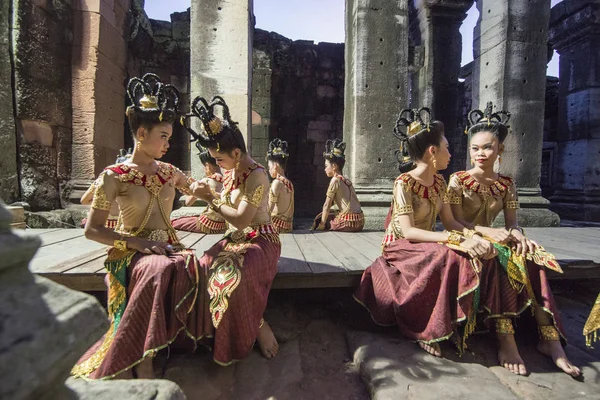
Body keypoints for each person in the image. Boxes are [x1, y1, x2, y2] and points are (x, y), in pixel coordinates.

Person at [72, 73, 211, 380]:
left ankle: (165, 345)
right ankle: (142, 356)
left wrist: (220, 183)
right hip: (130, 249)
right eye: (162, 135)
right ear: (141, 134)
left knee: (193, 263)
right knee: (157, 269)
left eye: (169, 136)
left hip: (169, 247)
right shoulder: (114, 175)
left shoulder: (169, 171)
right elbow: (92, 229)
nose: (168, 142)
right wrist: (137, 244)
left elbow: (197, 190)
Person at [445, 102, 581, 377]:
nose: (481, 153)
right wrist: (488, 233)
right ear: (470, 152)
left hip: (499, 237)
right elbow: (453, 223)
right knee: (500, 256)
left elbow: (513, 224)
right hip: (467, 238)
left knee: (534, 255)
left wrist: (520, 237)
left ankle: (550, 339)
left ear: (500, 150)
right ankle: (505, 337)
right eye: (475, 148)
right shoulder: (457, 180)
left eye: (487, 147)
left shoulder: (507, 184)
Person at [354, 107, 500, 358]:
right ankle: (427, 328)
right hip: (401, 245)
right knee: (448, 255)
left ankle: (451, 322)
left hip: (428, 242)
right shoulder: (404, 183)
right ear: (432, 151)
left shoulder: (440, 182)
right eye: (446, 147)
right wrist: (454, 240)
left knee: (464, 254)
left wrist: (473, 236)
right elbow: (409, 231)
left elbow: (451, 222)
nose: (450, 153)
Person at [183, 95, 281, 364]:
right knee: (202, 266)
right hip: (233, 239)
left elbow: (240, 219)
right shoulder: (229, 172)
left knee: (237, 276)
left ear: (236, 153)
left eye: (220, 159)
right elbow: (224, 210)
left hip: (260, 239)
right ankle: (211, 334)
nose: (218, 164)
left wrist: (209, 198)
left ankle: (257, 326)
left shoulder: (258, 175)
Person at [170, 143, 227, 234]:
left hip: (209, 224)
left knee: (173, 222)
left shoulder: (206, 181)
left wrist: (191, 188)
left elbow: (188, 202)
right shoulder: (226, 180)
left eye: (204, 167)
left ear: (207, 165)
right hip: (224, 223)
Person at [311, 138, 364, 231]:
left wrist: (322, 225)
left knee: (321, 219)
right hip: (360, 221)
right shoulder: (346, 180)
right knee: (331, 213)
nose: (325, 169)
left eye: (326, 166)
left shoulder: (335, 180)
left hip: (350, 223)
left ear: (334, 166)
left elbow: (326, 205)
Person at [79, 149, 132, 229]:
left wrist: (103, 204)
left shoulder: (102, 181)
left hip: (104, 227)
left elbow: (84, 200)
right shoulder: (137, 183)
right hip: (126, 226)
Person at [265, 138, 294, 233]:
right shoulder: (289, 183)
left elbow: (270, 207)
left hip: (276, 224)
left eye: (269, 167)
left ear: (276, 165)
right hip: (287, 225)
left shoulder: (277, 183)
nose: (268, 170)